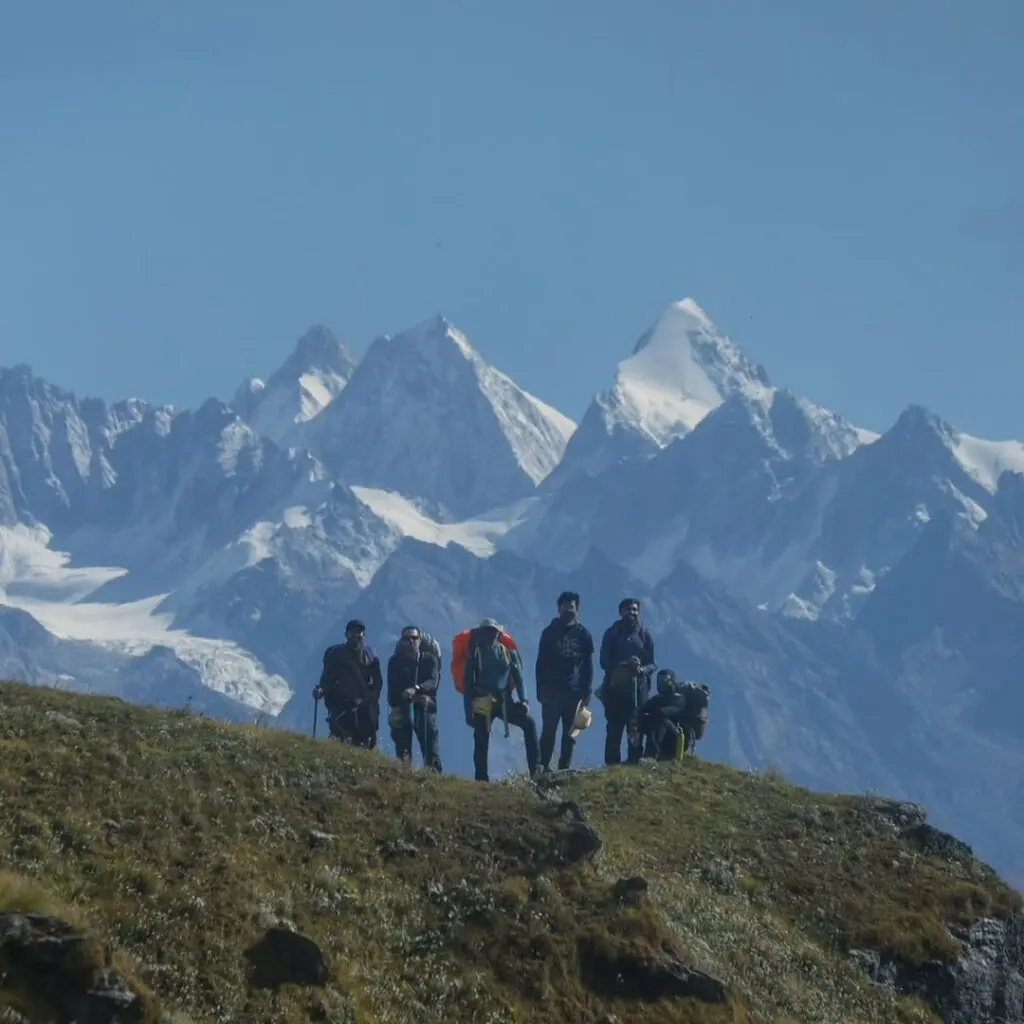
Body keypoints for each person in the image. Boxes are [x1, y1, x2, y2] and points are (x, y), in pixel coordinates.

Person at [462, 618, 539, 782]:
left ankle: (536, 771)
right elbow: (468, 686)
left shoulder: (508, 653)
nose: (491, 634)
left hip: (505, 701)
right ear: (481, 634)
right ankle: (481, 780)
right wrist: (468, 711)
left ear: (499, 634)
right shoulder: (475, 656)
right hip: (483, 700)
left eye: (493, 631)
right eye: (487, 631)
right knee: (481, 738)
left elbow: (518, 679)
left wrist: (524, 700)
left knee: (529, 724)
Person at [535, 591, 594, 772]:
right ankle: (543, 766)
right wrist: (540, 690)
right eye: (565, 606)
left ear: (577, 609)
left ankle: (564, 768)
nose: (569, 609)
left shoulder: (584, 634)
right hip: (552, 692)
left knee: (570, 733)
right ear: (559, 608)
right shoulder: (549, 633)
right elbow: (541, 663)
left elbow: (588, 665)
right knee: (549, 731)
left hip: (574, 692)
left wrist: (587, 691)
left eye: (572, 606)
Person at [597, 597, 656, 766]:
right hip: (615, 691)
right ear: (621, 612)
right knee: (614, 728)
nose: (632, 613)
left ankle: (634, 762)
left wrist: (641, 670)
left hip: (638, 692)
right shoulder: (612, 633)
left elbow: (653, 663)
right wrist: (624, 666)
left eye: (635, 610)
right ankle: (611, 765)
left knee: (635, 727)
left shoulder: (644, 634)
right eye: (628, 609)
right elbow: (603, 661)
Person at [312, 619, 383, 748]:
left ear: (364, 635)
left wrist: (370, 698)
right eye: (352, 632)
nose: (356, 635)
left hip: (364, 706)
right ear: (346, 635)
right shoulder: (335, 655)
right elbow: (327, 678)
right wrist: (321, 691)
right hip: (341, 704)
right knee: (341, 736)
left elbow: (378, 682)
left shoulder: (371, 656)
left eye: (359, 632)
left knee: (364, 740)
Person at [387, 625, 443, 772]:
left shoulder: (430, 660)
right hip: (403, 708)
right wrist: (415, 696)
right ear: (402, 641)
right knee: (403, 750)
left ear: (420, 640)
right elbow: (393, 691)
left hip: (425, 710)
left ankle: (433, 775)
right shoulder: (395, 663)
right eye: (407, 638)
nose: (411, 641)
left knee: (430, 747)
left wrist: (415, 690)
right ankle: (404, 776)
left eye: (414, 638)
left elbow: (433, 681)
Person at [639, 669, 688, 760]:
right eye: (660, 680)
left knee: (661, 721)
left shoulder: (679, 698)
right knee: (638, 719)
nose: (662, 683)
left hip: (675, 739)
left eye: (665, 680)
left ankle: (651, 756)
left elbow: (670, 711)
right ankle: (635, 754)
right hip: (659, 734)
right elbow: (642, 710)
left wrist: (657, 713)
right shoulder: (657, 699)